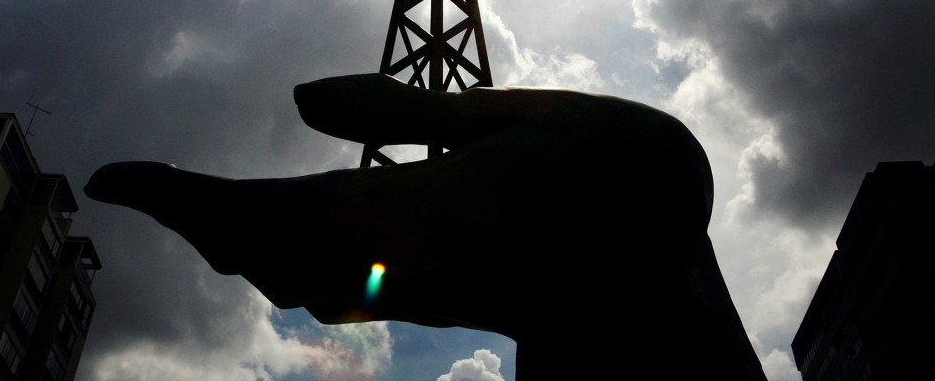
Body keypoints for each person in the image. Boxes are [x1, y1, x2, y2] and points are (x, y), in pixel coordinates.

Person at [86, 73, 767, 379]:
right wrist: (434, 114)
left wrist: (434, 114)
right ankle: (276, 231)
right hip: (633, 226)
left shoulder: (627, 167)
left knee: (543, 214)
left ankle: (273, 230)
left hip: (627, 209)